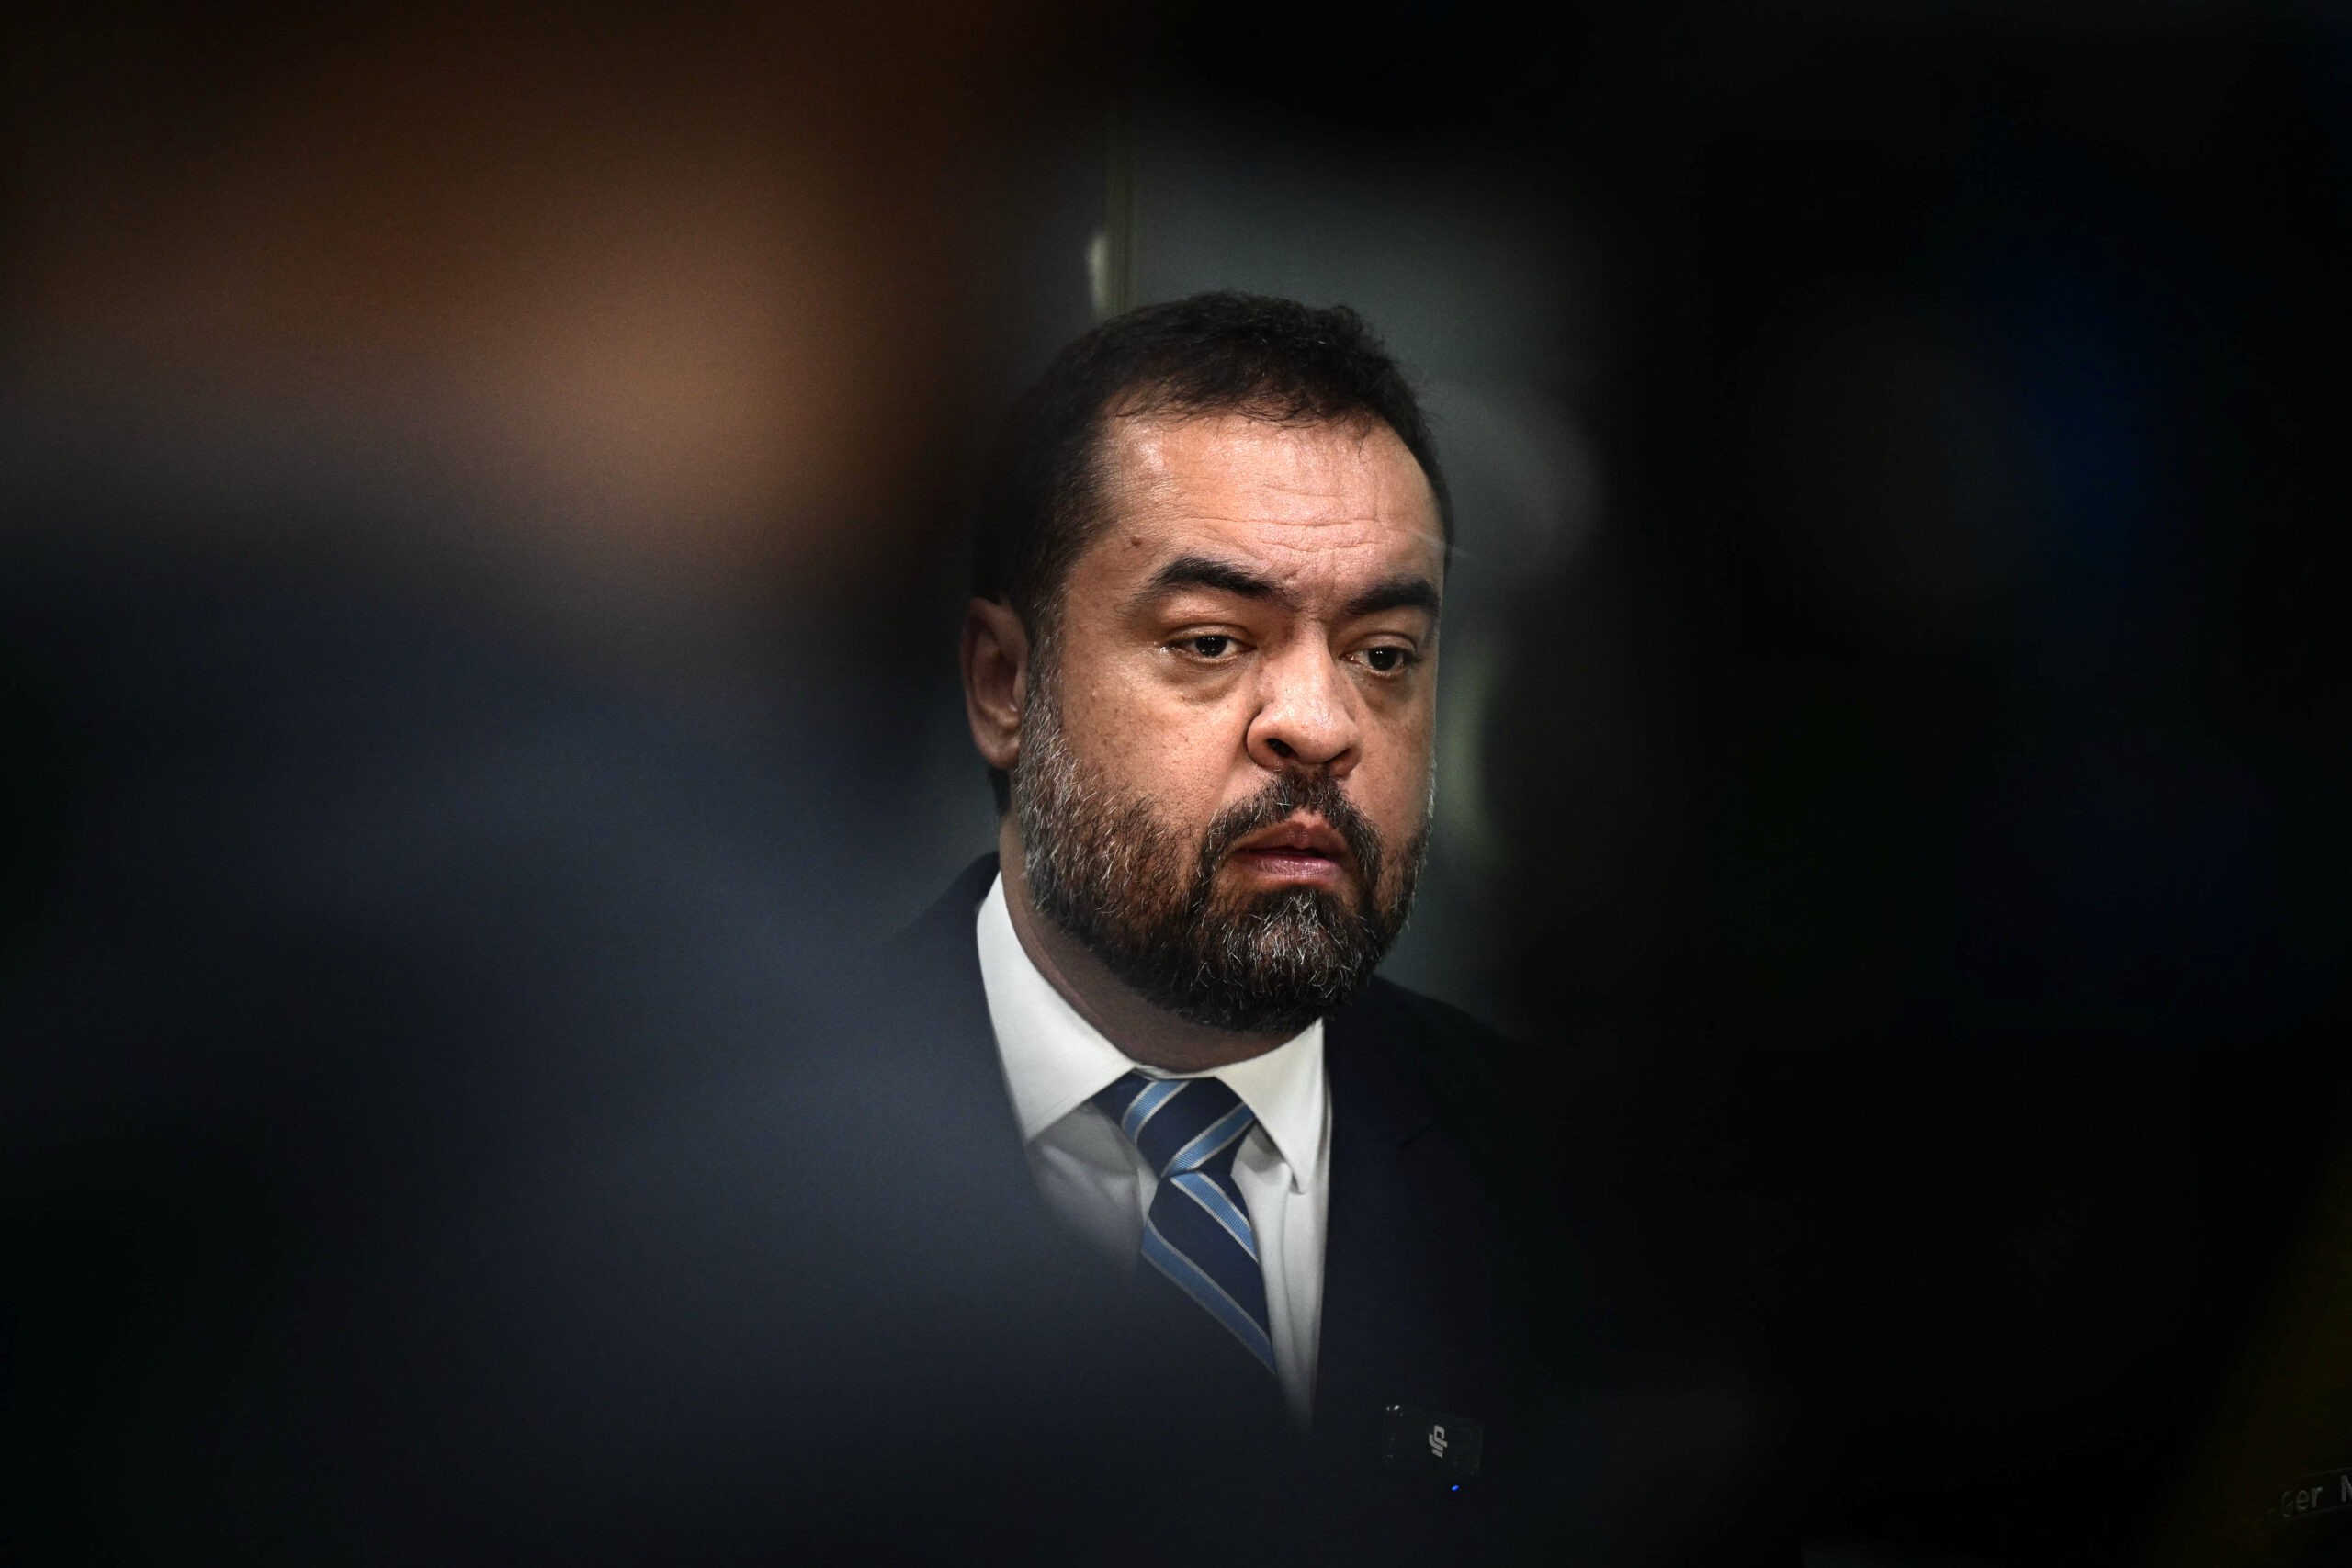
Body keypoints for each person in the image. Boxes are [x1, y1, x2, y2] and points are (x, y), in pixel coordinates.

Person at [871, 290, 1571, 1558]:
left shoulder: (1572, 1193)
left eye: (1383, 654)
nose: (1320, 723)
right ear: (1004, 685)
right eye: (1210, 641)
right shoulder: (726, 1167)